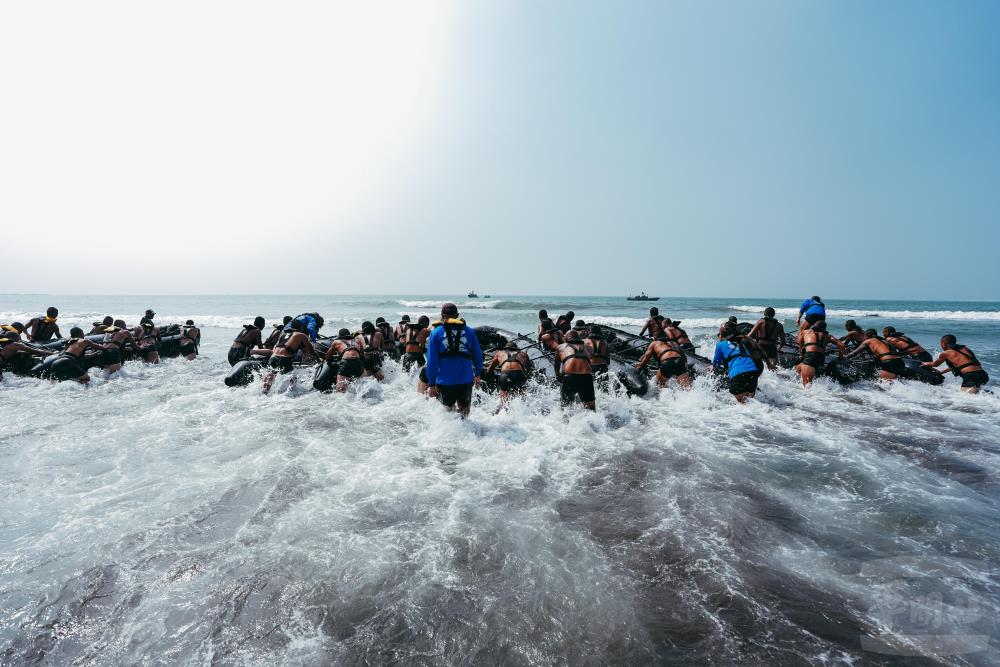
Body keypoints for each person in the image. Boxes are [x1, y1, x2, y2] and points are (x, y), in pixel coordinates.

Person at [424, 303, 483, 416]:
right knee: (464, 414)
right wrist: (478, 374)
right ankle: (467, 434)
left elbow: (432, 361)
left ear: (442, 315)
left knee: (447, 416)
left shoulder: (436, 333)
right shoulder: (470, 331)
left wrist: (431, 383)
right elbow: (478, 356)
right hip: (465, 380)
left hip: (445, 382)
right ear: (457, 315)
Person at [262, 320, 315, 394]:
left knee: (270, 377)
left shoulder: (284, 334)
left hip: (273, 357)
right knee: (292, 378)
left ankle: (264, 392)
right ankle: (289, 394)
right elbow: (311, 350)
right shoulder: (301, 335)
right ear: (301, 327)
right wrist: (318, 360)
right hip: (284, 359)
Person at [923, 336, 989, 393]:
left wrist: (925, 363)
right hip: (983, 375)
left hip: (971, 376)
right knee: (978, 395)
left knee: (966, 399)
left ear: (943, 343)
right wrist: (942, 372)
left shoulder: (946, 353)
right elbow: (964, 365)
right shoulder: (966, 349)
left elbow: (935, 364)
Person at [713, 329, 760, 403]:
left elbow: (716, 363)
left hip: (737, 373)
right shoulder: (742, 343)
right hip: (753, 372)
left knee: (741, 403)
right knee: (751, 401)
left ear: (721, 336)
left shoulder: (720, 345)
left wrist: (712, 367)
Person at [794, 321, 845, 386]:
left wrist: (801, 354)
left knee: (806, 385)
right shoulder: (828, 336)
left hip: (810, 356)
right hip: (821, 358)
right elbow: (842, 345)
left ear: (814, 326)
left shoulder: (805, 332)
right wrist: (840, 357)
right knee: (798, 368)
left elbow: (799, 342)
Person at [485, 341, 533, 408]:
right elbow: (528, 370)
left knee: (503, 400)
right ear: (516, 348)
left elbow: (490, 369)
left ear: (505, 348)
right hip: (518, 373)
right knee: (522, 398)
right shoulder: (523, 354)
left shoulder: (499, 353)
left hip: (505, 374)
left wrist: (490, 373)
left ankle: (500, 411)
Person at [556, 330, 595, 410]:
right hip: (586, 377)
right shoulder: (589, 348)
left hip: (570, 377)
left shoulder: (560, 347)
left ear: (566, 338)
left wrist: (558, 376)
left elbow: (557, 364)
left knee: (565, 407)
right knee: (590, 408)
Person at [324, 328, 366, 392]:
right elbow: (362, 356)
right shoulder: (357, 340)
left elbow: (327, 356)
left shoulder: (336, 342)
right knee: (361, 386)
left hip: (346, 362)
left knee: (340, 390)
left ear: (339, 336)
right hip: (357, 362)